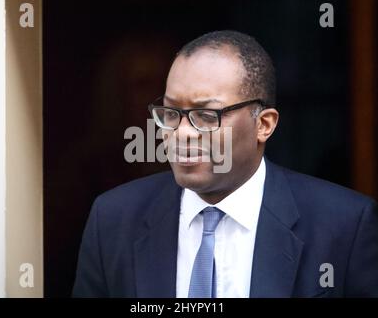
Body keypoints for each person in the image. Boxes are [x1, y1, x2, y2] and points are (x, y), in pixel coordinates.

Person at [72, 30, 378, 297]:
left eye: (207, 115)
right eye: (170, 113)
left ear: (264, 124)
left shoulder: (343, 225)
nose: (182, 133)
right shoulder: (113, 220)